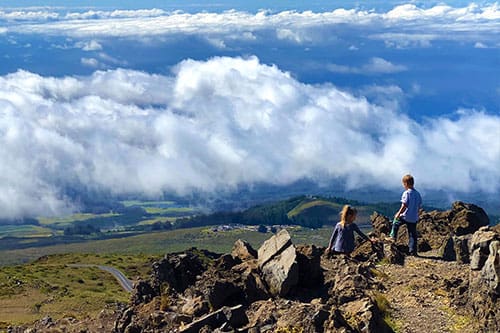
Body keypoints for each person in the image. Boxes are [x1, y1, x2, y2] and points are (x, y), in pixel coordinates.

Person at [389, 174, 423, 256]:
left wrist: (398, 213)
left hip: (405, 216)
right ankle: (413, 251)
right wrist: (417, 215)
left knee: (396, 223)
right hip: (413, 217)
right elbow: (419, 206)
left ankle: (392, 236)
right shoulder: (417, 194)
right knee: (412, 234)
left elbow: (404, 205)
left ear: (406, 184)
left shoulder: (407, 193)